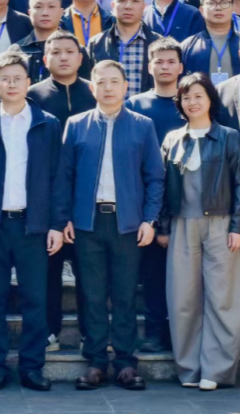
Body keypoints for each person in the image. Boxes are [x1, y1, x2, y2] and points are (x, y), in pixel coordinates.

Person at [56, 60, 164, 391]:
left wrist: (149, 219)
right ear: (92, 88)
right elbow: (64, 176)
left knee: (125, 294)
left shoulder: (142, 125)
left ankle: (126, 363)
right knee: (91, 294)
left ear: (125, 86)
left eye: (114, 81)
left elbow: (155, 177)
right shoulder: (76, 125)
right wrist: (63, 218)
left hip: (128, 223)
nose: (107, 87)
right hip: (87, 223)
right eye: (101, 82)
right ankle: (96, 362)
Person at [0, 53, 63, 392]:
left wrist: (56, 224)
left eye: (17, 78)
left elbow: (57, 177)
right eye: (4, 78)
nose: (11, 84)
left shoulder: (47, 123)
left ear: (28, 83)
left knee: (35, 300)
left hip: (32, 225)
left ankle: (32, 367)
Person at [160, 72, 240, 390]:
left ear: (210, 99)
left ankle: (216, 370)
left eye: (199, 95)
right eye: (186, 97)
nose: (192, 102)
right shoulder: (172, 139)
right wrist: (162, 227)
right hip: (181, 225)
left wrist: (239, 226)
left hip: (221, 225)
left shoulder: (228, 137)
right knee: (183, 299)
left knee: (224, 299)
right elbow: (162, 187)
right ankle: (189, 369)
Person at [26, 30, 96, 349]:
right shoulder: (33, 96)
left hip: (87, 196)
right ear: (45, 59)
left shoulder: (94, 92)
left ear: (81, 58)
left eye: (69, 51)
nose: (63, 57)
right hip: (45, 196)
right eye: (56, 52)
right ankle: (48, 331)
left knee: (88, 273)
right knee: (46, 270)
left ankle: (89, 333)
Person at [126, 39, 186, 353]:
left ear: (181, 67)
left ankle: (184, 336)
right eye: (158, 61)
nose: (165, 66)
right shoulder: (135, 105)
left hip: (188, 202)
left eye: (170, 61)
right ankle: (154, 332)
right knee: (153, 274)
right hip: (146, 204)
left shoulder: (190, 102)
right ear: (149, 67)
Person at [88, 0, 160, 97]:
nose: (128, 6)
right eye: (122, 0)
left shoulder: (157, 44)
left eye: (135, 1)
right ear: (113, 6)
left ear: (144, 7)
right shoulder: (96, 43)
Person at [9, 0, 91, 82]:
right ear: (30, 13)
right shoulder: (16, 51)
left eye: (51, 7)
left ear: (61, 12)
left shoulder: (76, 50)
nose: (45, 13)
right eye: (38, 7)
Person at [180, 0, 240, 82]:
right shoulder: (187, 47)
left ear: (233, 8)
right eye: (212, 3)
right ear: (201, 10)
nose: (218, 8)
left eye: (224, 3)